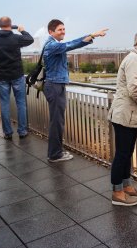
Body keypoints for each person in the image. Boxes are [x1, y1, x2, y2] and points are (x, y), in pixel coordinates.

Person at [43, 19, 108, 162]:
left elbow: (69, 44)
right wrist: (92, 35)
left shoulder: (54, 45)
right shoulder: (52, 45)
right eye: (60, 29)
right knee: (57, 122)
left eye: (64, 29)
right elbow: (72, 44)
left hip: (56, 85)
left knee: (58, 121)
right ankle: (55, 155)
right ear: (51, 32)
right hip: (54, 86)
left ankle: (56, 152)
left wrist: (90, 36)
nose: (63, 32)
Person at [108, 29, 137, 206]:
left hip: (131, 115)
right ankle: (117, 192)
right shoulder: (134, 60)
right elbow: (135, 90)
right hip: (125, 115)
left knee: (127, 153)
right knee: (122, 154)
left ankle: (126, 186)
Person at [0, 17, 34, 139]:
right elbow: (30, 39)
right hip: (17, 75)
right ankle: (22, 131)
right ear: (11, 25)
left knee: (4, 104)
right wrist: (22, 30)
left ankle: (8, 133)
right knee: (21, 104)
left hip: (2, 76)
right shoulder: (16, 38)